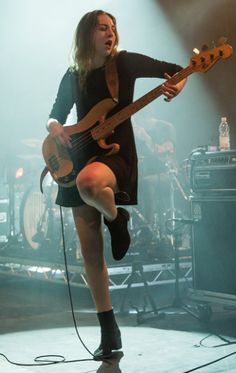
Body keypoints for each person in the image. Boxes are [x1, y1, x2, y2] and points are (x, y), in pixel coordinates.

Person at [46, 9, 186, 359]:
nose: (110, 33)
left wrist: (177, 86)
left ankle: (116, 217)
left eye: (113, 28)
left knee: (90, 183)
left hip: (114, 156)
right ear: (86, 35)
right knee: (91, 252)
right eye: (102, 28)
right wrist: (54, 129)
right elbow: (55, 113)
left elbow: (177, 70)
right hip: (76, 153)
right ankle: (109, 332)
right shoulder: (73, 74)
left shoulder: (124, 63)